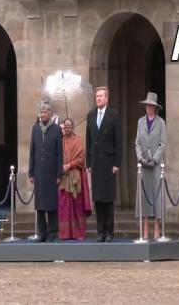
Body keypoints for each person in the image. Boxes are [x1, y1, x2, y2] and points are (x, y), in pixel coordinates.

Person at [86, 86, 122, 243]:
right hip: (95, 163)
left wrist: (117, 163)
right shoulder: (91, 115)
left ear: (106, 98)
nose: (98, 98)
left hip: (108, 162)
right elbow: (88, 140)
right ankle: (100, 231)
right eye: (97, 96)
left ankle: (109, 231)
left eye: (101, 96)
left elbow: (119, 142)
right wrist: (88, 162)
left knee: (108, 199)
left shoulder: (114, 116)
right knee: (98, 199)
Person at [29, 101, 63, 242]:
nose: (43, 114)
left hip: (52, 173)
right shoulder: (35, 129)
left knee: (51, 205)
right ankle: (41, 233)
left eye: (45, 112)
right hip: (39, 172)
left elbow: (60, 154)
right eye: (41, 112)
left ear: (50, 114)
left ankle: (53, 233)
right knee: (40, 205)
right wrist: (31, 172)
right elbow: (32, 151)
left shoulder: (56, 129)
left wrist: (59, 174)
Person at [135, 92, 166, 239]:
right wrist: (141, 158)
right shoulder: (140, 121)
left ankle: (157, 229)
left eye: (150, 105)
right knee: (144, 195)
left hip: (155, 165)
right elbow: (137, 143)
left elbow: (162, 144)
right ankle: (145, 228)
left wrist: (154, 159)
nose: (148, 107)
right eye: (147, 105)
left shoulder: (161, 123)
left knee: (157, 196)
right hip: (144, 165)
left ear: (155, 107)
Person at [58, 118, 91, 240]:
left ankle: (79, 233)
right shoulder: (60, 142)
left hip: (75, 178)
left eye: (69, 126)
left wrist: (69, 165)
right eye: (65, 127)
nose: (67, 129)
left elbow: (81, 160)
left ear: (72, 128)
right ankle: (65, 233)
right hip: (64, 178)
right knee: (64, 206)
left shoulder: (77, 141)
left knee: (77, 207)